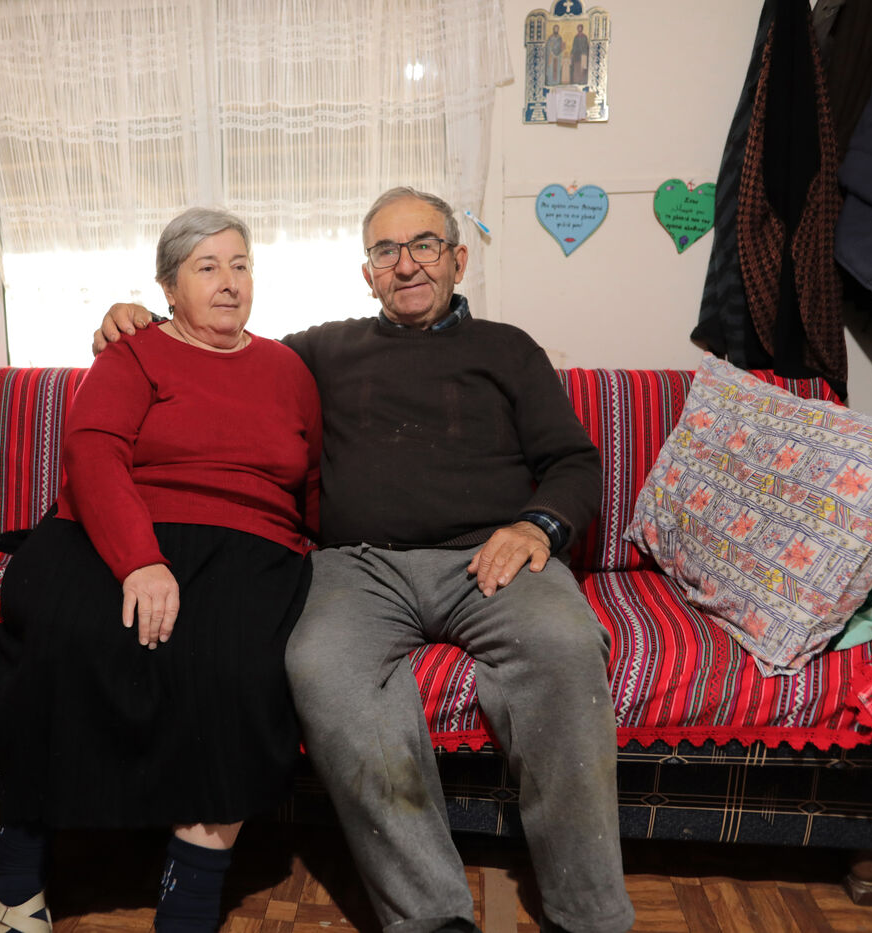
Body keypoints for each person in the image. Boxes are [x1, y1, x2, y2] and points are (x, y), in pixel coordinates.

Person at [95, 187, 634, 933]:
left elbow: (573, 460)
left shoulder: (509, 348)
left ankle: (590, 915)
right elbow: (219, 343)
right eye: (386, 250)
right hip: (359, 568)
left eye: (424, 246)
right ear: (367, 272)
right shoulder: (319, 351)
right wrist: (141, 323)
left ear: (458, 260)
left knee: (567, 646)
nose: (406, 264)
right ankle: (430, 917)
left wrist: (536, 525)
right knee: (319, 665)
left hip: (493, 560)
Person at [0, 207, 322, 933]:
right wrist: (140, 560)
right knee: (61, 637)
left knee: (233, 665)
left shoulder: (289, 368)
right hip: (113, 524)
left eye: (241, 265)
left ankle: (187, 902)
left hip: (251, 540)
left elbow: (314, 479)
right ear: (168, 287)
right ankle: (18, 875)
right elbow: (94, 453)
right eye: (207, 267)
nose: (229, 283)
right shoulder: (132, 353)